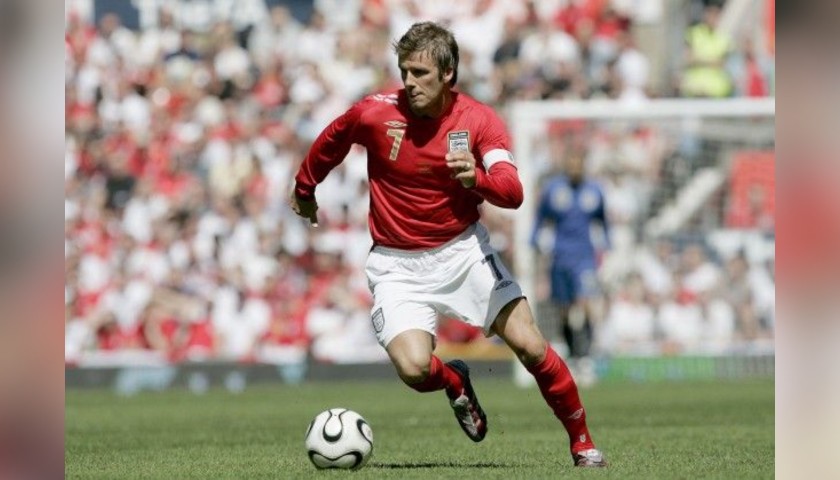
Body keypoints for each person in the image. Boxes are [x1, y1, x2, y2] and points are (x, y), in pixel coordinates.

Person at [289, 22, 607, 467]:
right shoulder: (375, 113)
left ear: (448, 74)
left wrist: (476, 178)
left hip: (463, 253)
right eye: (405, 71)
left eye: (420, 73)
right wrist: (305, 189)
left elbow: (512, 192)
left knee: (531, 345)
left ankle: (583, 444)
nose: (410, 82)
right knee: (415, 370)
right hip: (397, 264)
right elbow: (332, 140)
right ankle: (454, 382)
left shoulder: (478, 121)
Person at [531, 150, 610, 366]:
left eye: (578, 163)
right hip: (560, 256)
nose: (575, 168)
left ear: (584, 165)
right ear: (566, 165)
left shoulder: (594, 191)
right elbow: (541, 217)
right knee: (564, 308)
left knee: (585, 302)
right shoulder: (554, 190)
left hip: (585, 257)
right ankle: (572, 352)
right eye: (571, 163)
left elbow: (603, 220)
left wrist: (608, 245)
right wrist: (534, 239)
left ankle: (586, 353)